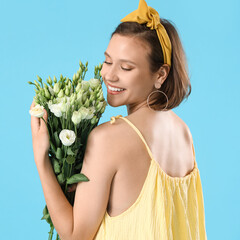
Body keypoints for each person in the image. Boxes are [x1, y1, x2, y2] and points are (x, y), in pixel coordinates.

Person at [29, 0, 207, 239]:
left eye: (126, 68)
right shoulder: (183, 132)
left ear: (160, 74)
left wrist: (42, 160)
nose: (109, 75)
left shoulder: (108, 139)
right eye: (108, 61)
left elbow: (75, 235)